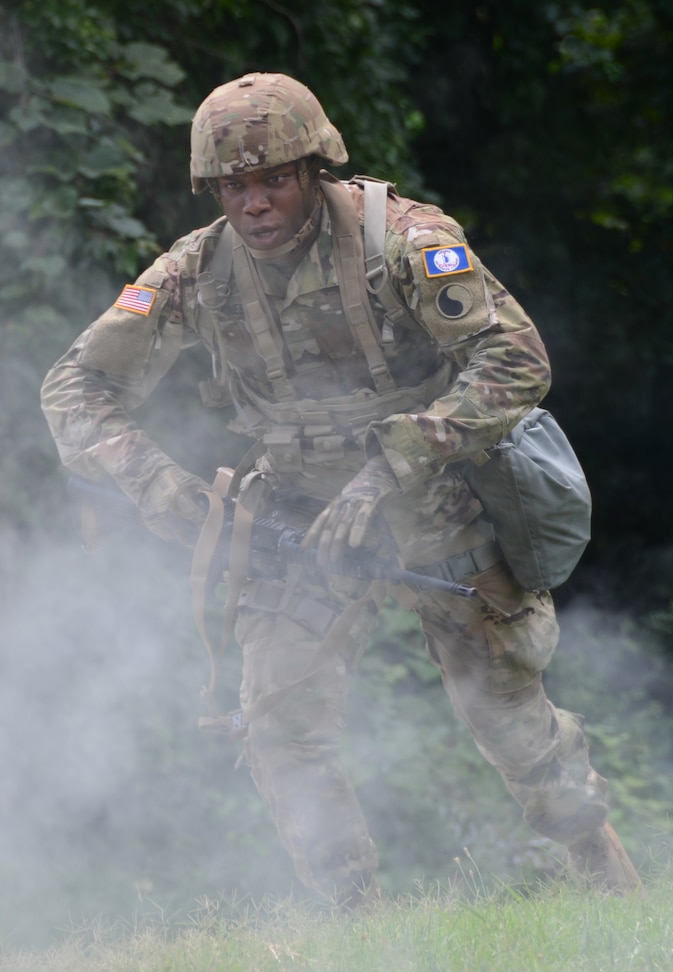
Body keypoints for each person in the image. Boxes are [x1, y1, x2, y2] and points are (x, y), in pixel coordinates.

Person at [41, 72, 640, 905]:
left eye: (273, 179)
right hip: (297, 521)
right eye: (234, 185)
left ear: (314, 170)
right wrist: (162, 490)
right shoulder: (194, 271)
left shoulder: (403, 240)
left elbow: (516, 362)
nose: (254, 204)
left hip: (440, 505)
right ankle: (357, 928)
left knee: (508, 719)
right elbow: (74, 389)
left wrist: (390, 463)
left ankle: (604, 877)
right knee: (280, 727)